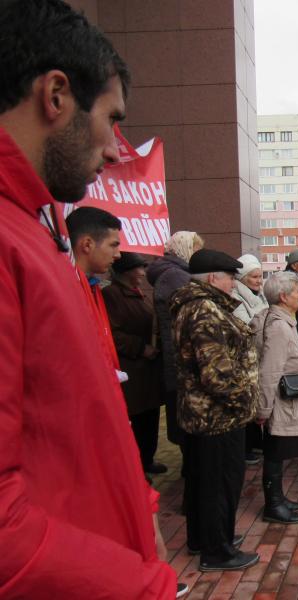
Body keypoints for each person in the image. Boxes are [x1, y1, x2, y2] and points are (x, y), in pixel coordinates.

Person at [0, 0, 176, 596]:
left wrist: (139, 500)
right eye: (112, 119)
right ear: (56, 95)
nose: (115, 149)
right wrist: (138, 584)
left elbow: (74, 412)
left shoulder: (39, 224)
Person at [171, 249, 260, 571]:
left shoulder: (195, 306)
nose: (234, 285)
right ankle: (217, 550)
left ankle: (205, 537)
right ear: (213, 278)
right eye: (230, 278)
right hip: (219, 416)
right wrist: (245, 403)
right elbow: (217, 373)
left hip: (204, 414)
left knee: (202, 482)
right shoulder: (205, 310)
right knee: (220, 484)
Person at [251, 271, 298, 525]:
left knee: (278, 451)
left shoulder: (282, 321)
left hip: (283, 400)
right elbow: (269, 371)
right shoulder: (278, 327)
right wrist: (263, 410)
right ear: (284, 297)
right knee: (274, 452)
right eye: (297, 291)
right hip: (277, 402)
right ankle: (273, 504)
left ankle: (279, 498)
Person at [104, 252, 167, 475]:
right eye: (139, 268)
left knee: (150, 420)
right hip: (132, 371)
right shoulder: (111, 295)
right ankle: (135, 469)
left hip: (147, 371)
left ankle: (147, 460)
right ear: (125, 271)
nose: (143, 273)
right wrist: (141, 347)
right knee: (136, 421)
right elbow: (112, 333)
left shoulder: (139, 294)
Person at [147, 231, 204, 454]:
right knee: (186, 422)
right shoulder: (175, 276)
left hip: (179, 356)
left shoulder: (176, 273)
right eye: (196, 251)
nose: (198, 256)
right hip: (181, 359)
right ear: (185, 250)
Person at [65, 206, 123, 378]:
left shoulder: (92, 286)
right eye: (113, 245)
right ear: (88, 244)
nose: (118, 254)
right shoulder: (67, 289)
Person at [232, 253, 269, 465]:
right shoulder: (238, 298)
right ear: (243, 278)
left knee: (258, 399)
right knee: (248, 402)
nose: (258, 280)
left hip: (260, 353)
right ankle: (247, 447)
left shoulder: (260, 295)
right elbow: (246, 325)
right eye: (254, 276)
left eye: (260, 276)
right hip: (247, 356)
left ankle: (256, 442)